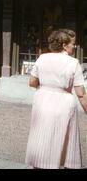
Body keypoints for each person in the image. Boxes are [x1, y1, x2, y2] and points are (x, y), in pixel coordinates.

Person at [25, 28, 87, 169]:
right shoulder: (73, 63)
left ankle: (38, 164)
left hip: (42, 101)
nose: (75, 46)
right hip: (63, 103)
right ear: (64, 45)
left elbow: (32, 82)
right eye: (73, 43)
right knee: (61, 140)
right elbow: (81, 94)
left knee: (41, 135)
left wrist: (47, 85)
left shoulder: (42, 58)